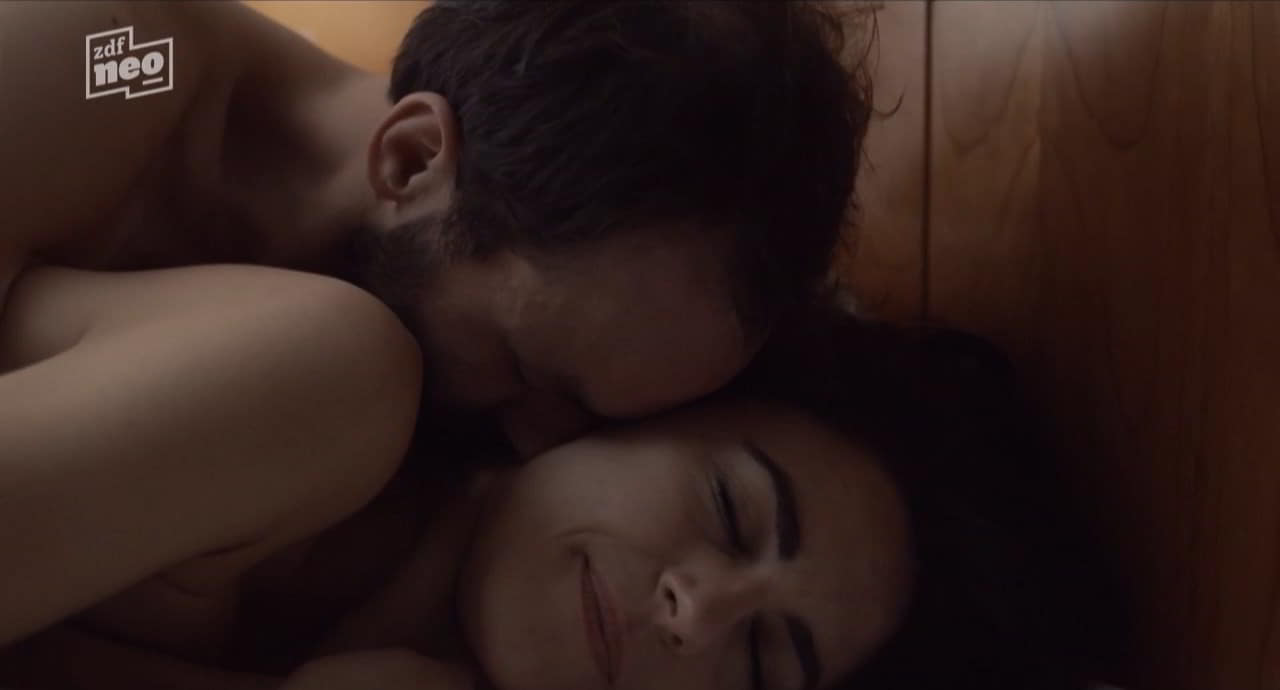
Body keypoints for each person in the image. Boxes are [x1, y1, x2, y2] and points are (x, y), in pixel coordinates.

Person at [0, 1, 871, 644]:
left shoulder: (426, 481)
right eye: (523, 369)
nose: (536, 447)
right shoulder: (119, 55)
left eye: (601, 422)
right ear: (411, 158)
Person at [0, 302, 1112, 690]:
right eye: (731, 512)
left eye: (763, 667)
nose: (696, 614)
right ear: (637, 403)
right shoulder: (317, 377)